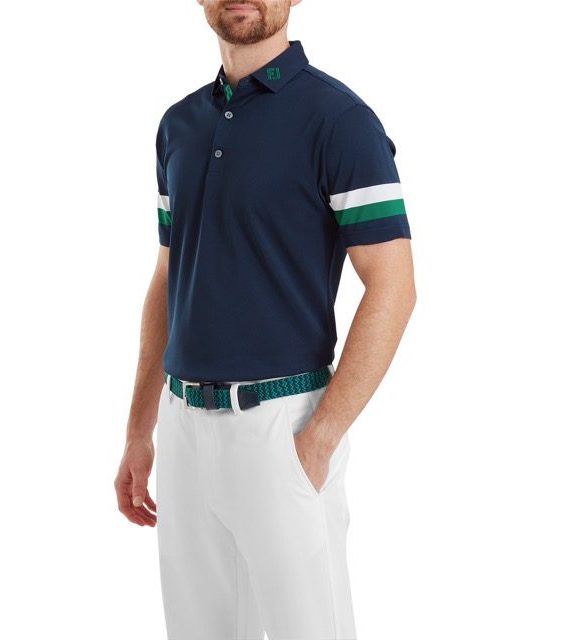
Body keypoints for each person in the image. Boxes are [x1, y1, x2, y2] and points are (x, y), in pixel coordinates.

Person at [114, 1, 416, 638]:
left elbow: (394, 286)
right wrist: (140, 429)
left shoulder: (340, 121)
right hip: (181, 427)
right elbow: (169, 276)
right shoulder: (177, 125)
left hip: (282, 426)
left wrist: (320, 438)